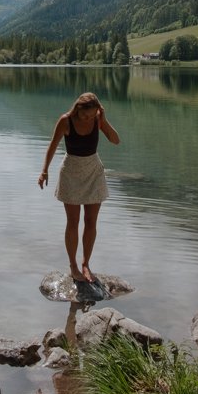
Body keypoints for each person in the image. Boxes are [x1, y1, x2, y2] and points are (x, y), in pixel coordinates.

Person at [38, 92, 120, 283]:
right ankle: (73, 265)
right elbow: (52, 145)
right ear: (78, 108)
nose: (88, 118)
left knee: (91, 221)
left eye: (92, 115)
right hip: (71, 172)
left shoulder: (98, 119)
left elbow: (116, 140)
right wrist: (44, 171)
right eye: (85, 115)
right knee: (73, 222)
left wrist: (103, 120)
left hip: (93, 171)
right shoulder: (66, 121)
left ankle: (86, 264)